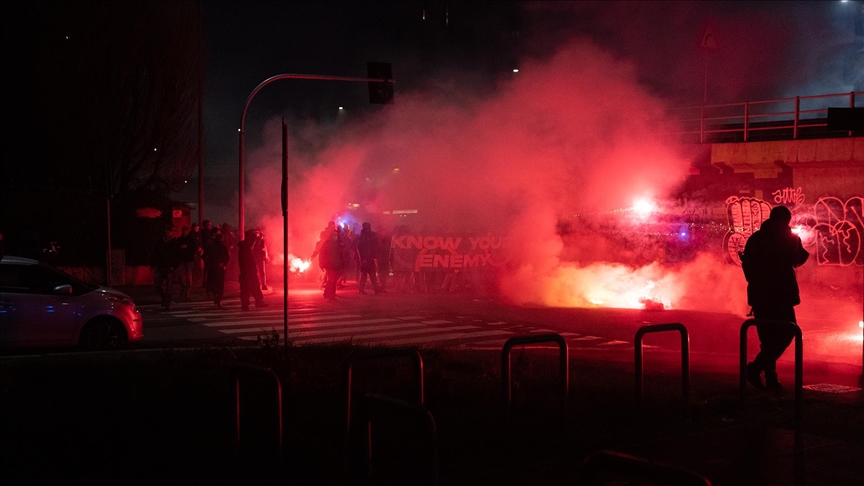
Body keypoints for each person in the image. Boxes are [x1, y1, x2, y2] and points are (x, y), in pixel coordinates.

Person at [740, 205, 809, 392]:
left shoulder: (756, 238)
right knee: (788, 332)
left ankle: (770, 378)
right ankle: (756, 369)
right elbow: (799, 259)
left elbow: (748, 268)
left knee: (768, 339)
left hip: (760, 296)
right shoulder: (788, 238)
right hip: (781, 295)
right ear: (785, 221)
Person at [150, 225, 180, 310]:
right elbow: (155, 253)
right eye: (166, 232)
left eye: (168, 232)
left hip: (169, 268)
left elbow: (178, 256)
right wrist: (152, 264)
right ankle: (164, 298)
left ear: (171, 232)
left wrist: (174, 266)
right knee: (157, 285)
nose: (167, 233)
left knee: (169, 287)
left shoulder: (174, 242)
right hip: (160, 266)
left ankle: (167, 304)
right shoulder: (160, 241)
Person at [238, 229, 268, 310]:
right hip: (247, 272)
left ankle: (257, 302)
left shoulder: (247, 246)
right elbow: (245, 261)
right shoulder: (245, 248)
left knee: (254, 288)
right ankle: (246, 305)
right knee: (246, 290)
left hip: (249, 271)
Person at [318, 229, 345, 301]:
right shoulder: (326, 244)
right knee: (332, 280)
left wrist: (342, 264)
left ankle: (327, 293)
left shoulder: (338, 244)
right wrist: (322, 264)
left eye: (336, 235)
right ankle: (330, 295)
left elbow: (341, 255)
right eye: (334, 235)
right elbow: (322, 255)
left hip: (337, 265)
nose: (335, 237)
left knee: (333, 280)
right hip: (329, 265)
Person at [207, 231, 230, 308]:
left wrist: (223, 263)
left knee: (218, 284)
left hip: (218, 268)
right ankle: (217, 297)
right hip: (215, 268)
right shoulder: (213, 247)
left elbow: (227, 258)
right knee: (217, 284)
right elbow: (205, 256)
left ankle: (218, 298)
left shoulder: (223, 248)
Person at [356, 222, 380, 295]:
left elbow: (374, 246)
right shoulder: (365, 236)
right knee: (368, 274)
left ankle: (364, 289)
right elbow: (361, 248)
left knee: (367, 274)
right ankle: (373, 289)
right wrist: (363, 257)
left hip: (369, 258)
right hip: (367, 258)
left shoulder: (363, 236)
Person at [176, 225, 197, 299]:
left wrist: (187, 247)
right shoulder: (179, 239)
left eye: (186, 231)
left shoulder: (191, 239)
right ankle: (184, 287)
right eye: (183, 231)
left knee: (188, 276)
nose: (184, 232)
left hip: (189, 259)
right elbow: (176, 248)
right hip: (181, 259)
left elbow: (195, 248)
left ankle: (187, 290)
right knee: (179, 275)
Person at [200, 220, 213, 290]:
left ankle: (205, 283)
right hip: (208, 252)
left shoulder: (205, 232)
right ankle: (206, 283)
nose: (210, 226)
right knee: (208, 268)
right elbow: (208, 242)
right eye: (209, 225)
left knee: (207, 268)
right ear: (205, 225)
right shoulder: (206, 232)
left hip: (207, 252)